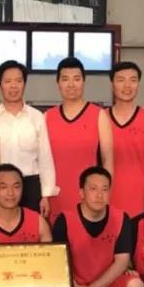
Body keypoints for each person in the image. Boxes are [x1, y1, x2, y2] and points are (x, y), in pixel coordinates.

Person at [52, 167, 144, 287]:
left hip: (105, 286)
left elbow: (122, 262)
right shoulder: (64, 220)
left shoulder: (121, 218)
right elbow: (59, 265)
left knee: (136, 285)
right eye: (93, 189)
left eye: (105, 189)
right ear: (81, 192)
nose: (99, 195)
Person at [44, 57, 114, 218]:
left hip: (89, 197)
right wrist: (44, 195)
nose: (71, 84)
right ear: (58, 83)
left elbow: (108, 162)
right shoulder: (47, 117)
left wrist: (104, 196)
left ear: (84, 81)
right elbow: (42, 162)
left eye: (76, 79)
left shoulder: (99, 115)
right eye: (65, 79)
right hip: (56, 197)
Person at [0, 61, 57, 216]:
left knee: (30, 229)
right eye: (8, 81)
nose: (13, 86)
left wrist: (46, 195)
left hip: (30, 186)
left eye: (18, 81)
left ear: (24, 84)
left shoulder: (36, 116)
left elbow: (45, 157)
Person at [106, 61, 144, 216]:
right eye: (121, 80)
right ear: (112, 84)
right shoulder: (101, 117)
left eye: (133, 80)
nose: (127, 85)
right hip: (107, 195)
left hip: (139, 196)